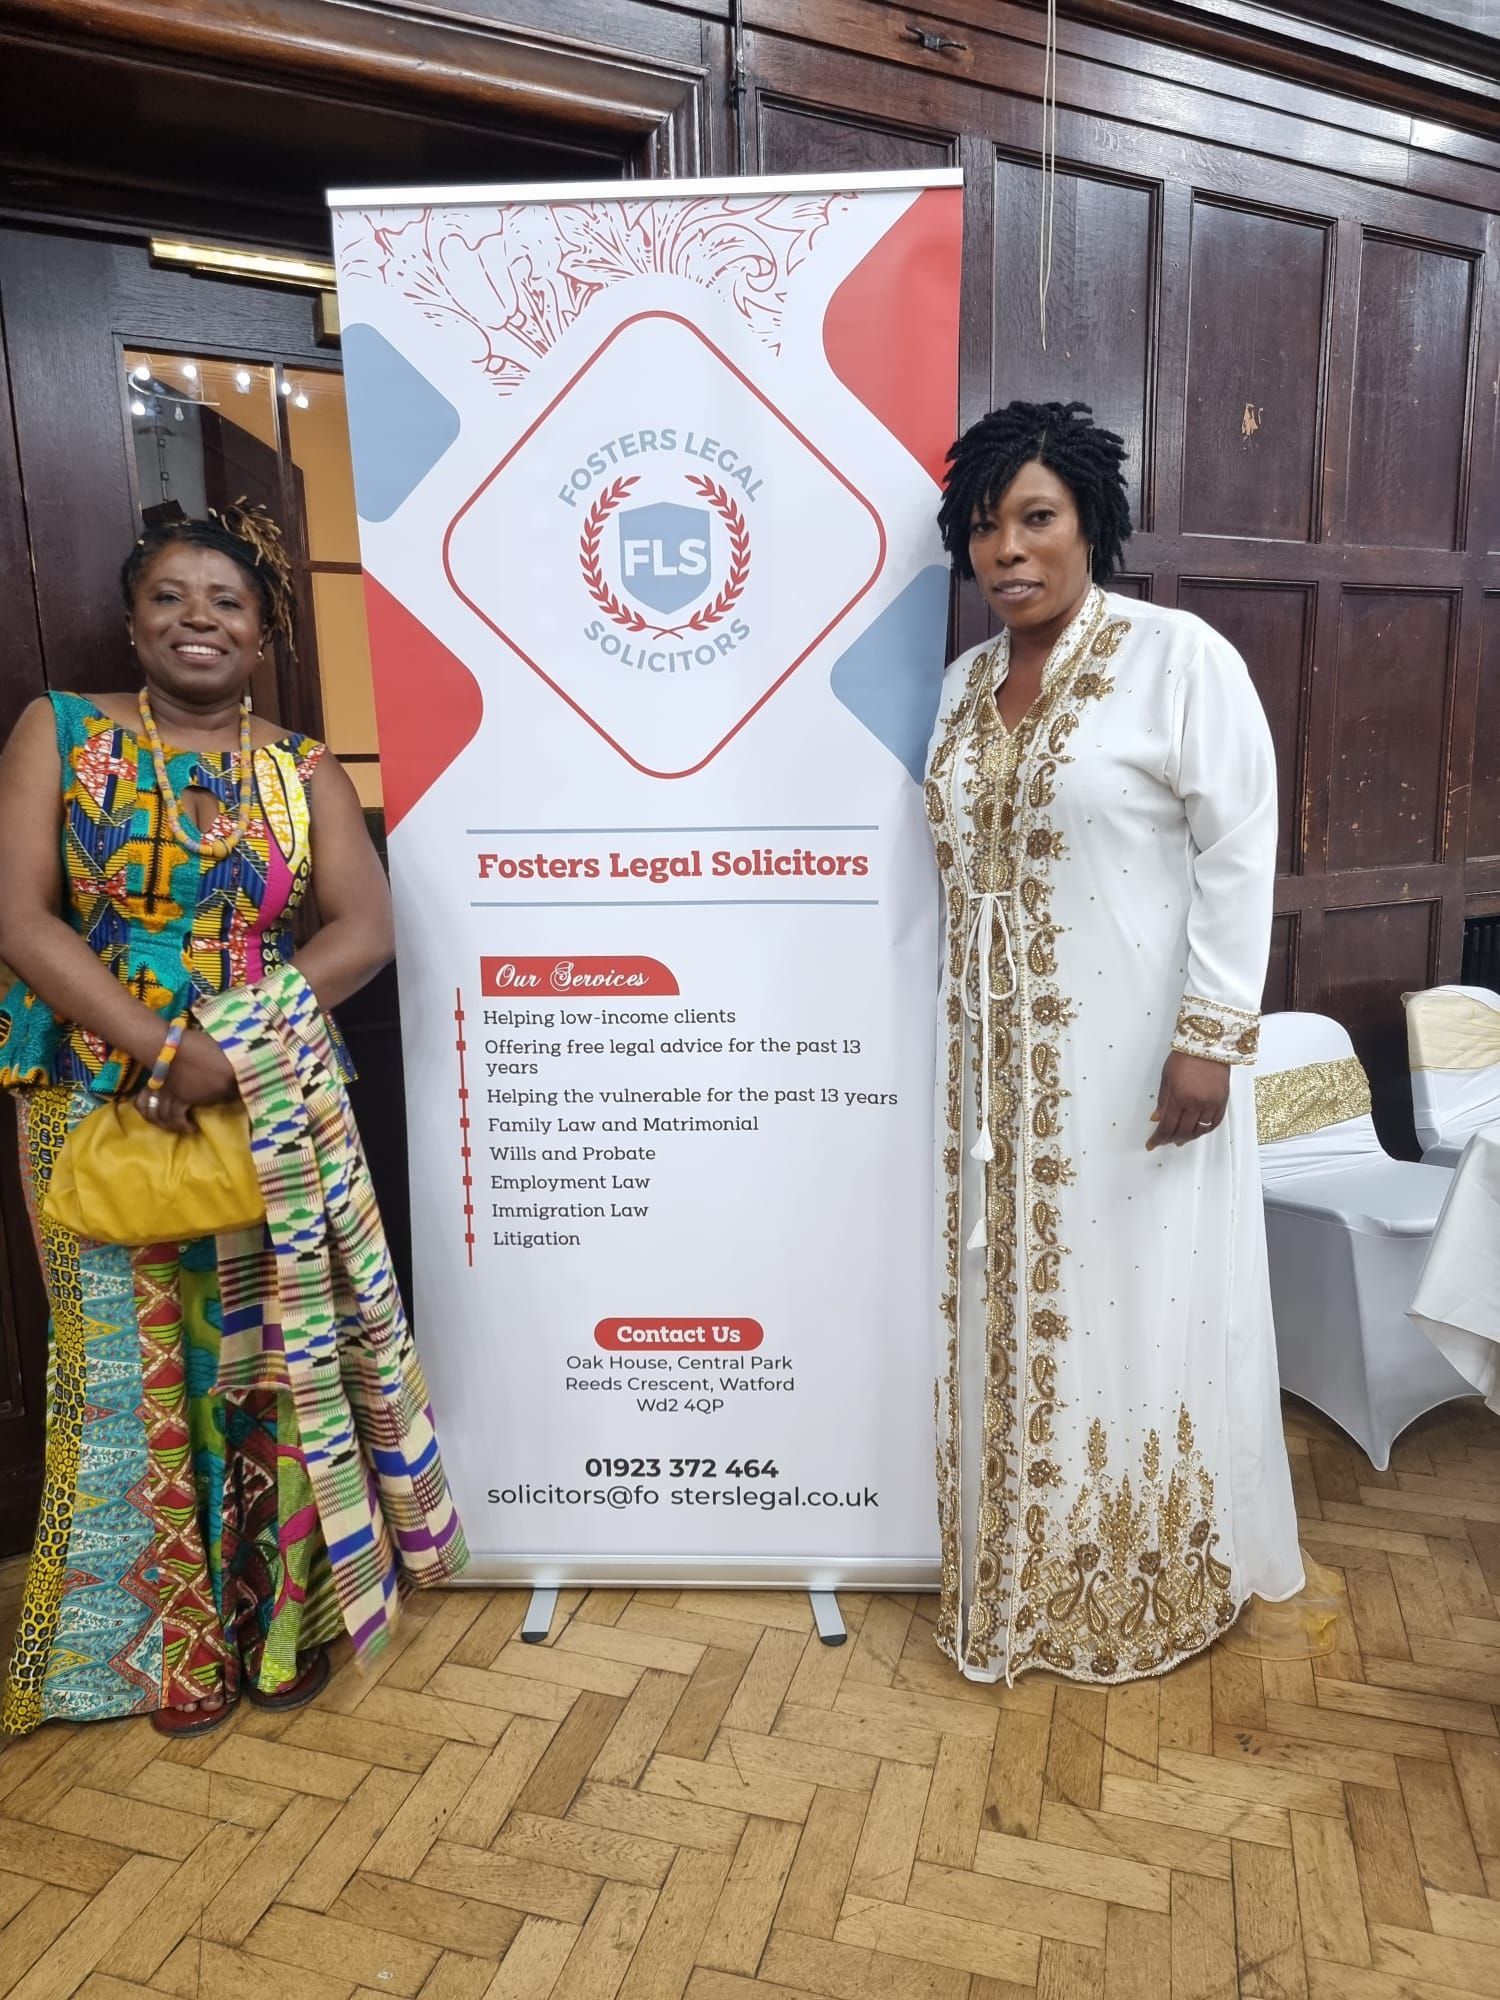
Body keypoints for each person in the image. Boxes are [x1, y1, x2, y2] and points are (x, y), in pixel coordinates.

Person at [0, 505, 407, 1735]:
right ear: (131, 620)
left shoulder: (305, 768)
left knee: (273, 1369)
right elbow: (21, 918)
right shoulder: (59, 732)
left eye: (226, 601)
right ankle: (148, 1653)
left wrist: (228, 1049)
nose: (197, 619)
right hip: (92, 1094)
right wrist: (164, 1047)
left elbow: (363, 930)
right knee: (129, 1372)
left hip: (274, 1101)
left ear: (265, 632)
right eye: (170, 597)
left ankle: (280, 1631)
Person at [925, 401, 1304, 1685]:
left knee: (1141, 1296)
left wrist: (1208, 1037)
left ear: (1092, 522)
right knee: (1017, 1305)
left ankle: (1130, 1575)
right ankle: (1015, 1576)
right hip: (994, 1076)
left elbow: (1239, 847)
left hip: (1143, 1060)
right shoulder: (965, 688)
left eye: (1036, 517)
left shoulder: (1175, 657)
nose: (1008, 550)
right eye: (985, 527)